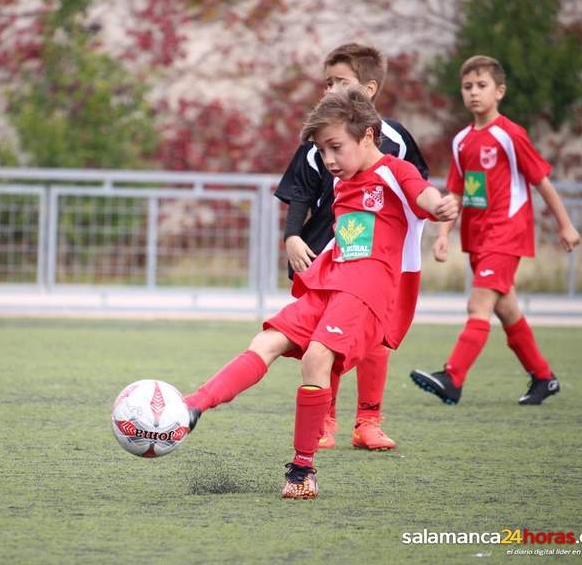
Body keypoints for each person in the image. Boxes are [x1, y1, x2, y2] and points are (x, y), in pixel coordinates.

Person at [186, 87, 458, 499]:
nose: (328, 160)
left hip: (366, 290)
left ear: (368, 135)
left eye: (335, 148)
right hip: (330, 282)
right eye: (322, 150)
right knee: (267, 340)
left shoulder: (393, 171)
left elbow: (423, 193)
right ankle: (194, 406)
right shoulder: (343, 181)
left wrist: (438, 207)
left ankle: (302, 469)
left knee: (316, 358)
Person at [273, 43, 430, 451]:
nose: (329, 90)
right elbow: (299, 193)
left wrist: (433, 236)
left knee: (376, 338)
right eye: (326, 82)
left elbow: (418, 192)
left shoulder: (393, 140)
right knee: (324, 338)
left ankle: (369, 421)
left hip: (376, 259)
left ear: (370, 89)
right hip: (329, 250)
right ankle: (324, 419)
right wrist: (292, 236)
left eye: (340, 82)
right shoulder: (318, 139)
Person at [410, 55, 580, 406]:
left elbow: (541, 182)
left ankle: (452, 378)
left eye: (482, 85)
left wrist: (565, 224)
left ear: (499, 91)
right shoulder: (461, 142)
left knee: (479, 304)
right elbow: (456, 193)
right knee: (507, 310)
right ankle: (544, 378)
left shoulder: (510, 134)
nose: (474, 93)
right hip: (478, 238)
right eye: (467, 86)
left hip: (507, 232)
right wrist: (443, 235)